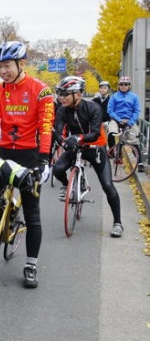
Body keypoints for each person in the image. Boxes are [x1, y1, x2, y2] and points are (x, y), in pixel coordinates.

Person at [0, 41, 54, 288]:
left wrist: (43, 161)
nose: (3, 71)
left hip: (31, 154)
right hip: (5, 151)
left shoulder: (41, 91)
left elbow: (46, 127)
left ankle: (31, 265)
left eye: (7, 66)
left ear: (21, 64)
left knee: (32, 213)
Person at [52, 76, 123, 237]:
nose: (61, 97)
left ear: (78, 94)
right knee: (57, 169)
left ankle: (118, 222)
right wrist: (63, 141)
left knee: (107, 185)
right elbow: (57, 130)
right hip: (75, 145)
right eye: (59, 93)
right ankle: (67, 185)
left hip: (95, 146)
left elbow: (95, 133)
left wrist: (79, 138)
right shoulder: (62, 109)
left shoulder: (93, 108)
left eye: (65, 94)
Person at [107, 76, 144, 173]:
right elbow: (110, 110)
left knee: (134, 140)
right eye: (121, 84)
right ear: (119, 86)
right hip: (116, 119)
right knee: (111, 132)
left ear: (129, 86)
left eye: (126, 84)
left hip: (129, 119)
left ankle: (139, 163)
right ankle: (112, 152)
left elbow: (137, 111)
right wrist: (119, 120)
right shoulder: (114, 96)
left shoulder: (134, 97)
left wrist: (130, 122)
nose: (123, 86)